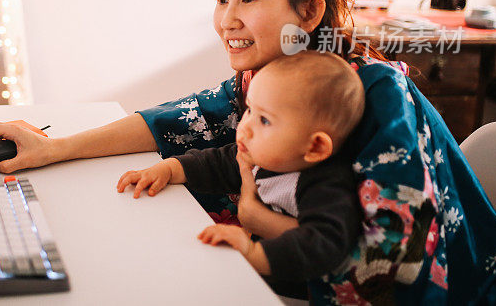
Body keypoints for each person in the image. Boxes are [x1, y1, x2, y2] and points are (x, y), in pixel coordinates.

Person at [0, 0, 496, 304]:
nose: (226, 20)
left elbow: (392, 260)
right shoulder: (266, 79)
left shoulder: (376, 91)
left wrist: (254, 221)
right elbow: (176, 118)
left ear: (309, 11)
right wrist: (53, 148)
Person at [117, 51, 365, 293]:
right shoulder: (268, 153)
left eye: (265, 120)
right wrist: (169, 169)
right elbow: (217, 163)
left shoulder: (327, 186)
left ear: (315, 146)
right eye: (250, 111)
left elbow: (324, 244)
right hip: (254, 272)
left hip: (291, 291)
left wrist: (253, 253)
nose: (245, 128)